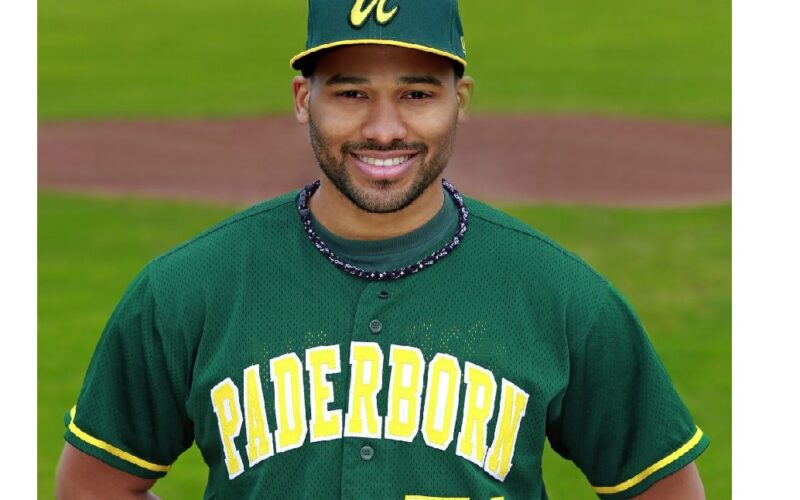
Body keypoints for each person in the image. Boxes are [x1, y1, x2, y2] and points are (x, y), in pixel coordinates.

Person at [55, 0, 709, 498]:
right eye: (351, 93)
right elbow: (91, 486)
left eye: (416, 93)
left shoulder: (558, 296)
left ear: (460, 101)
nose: (384, 128)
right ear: (303, 99)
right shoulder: (189, 289)